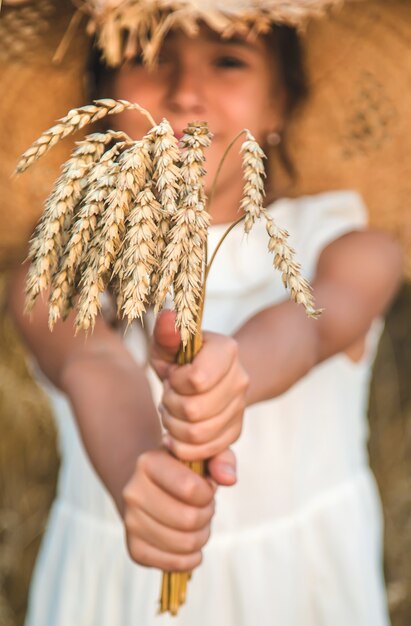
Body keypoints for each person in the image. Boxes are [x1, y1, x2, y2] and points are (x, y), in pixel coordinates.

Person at [5, 1, 405, 625]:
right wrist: (143, 469)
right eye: (146, 56)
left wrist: (233, 369)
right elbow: (96, 367)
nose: (186, 91)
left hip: (296, 593)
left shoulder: (349, 247)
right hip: (116, 593)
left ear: (279, 102)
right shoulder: (57, 270)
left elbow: (308, 328)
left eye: (228, 60)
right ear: (104, 95)